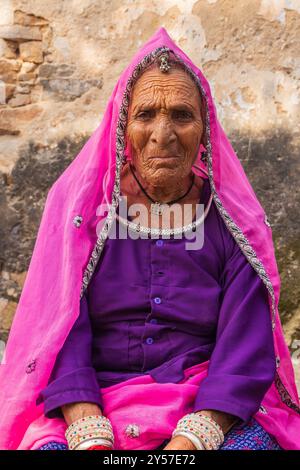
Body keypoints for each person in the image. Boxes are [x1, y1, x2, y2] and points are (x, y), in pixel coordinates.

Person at [0, 27, 299, 451]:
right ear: (123, 126)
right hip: (93, 399)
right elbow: (57, 326)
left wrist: (195, 437)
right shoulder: (84, 212)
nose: (163, 133)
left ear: (204, 128)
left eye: (181, 115)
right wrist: (86, 424)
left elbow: (243, 341)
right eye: (145, 115)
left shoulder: (234, 223)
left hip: (205, 399)